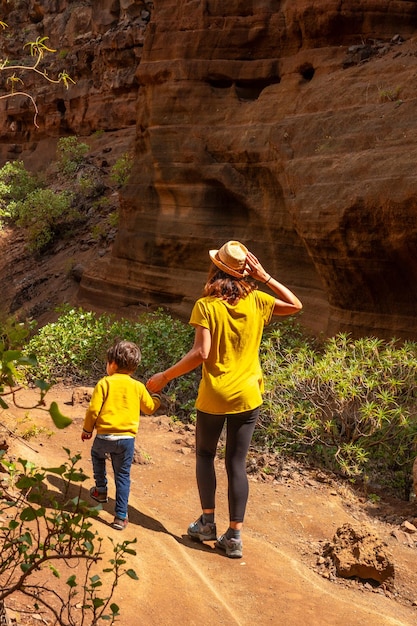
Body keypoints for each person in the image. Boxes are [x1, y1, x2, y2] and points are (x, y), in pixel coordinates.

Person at [146, 240, 302, 557]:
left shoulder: (206, 306)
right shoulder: (258, 301)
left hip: (215, 396)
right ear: (246, 273)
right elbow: (296, 305)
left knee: (205, 455)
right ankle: (234, 537)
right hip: (247, 396)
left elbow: (201, 353)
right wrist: (266, 277)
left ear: (215, 269)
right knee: (236, 464)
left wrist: (164, 377)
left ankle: (206, 523)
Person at [82, 340, 161, 530]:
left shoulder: (104, 383)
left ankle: (101, 490)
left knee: (97, 455)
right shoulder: (138, 386)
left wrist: (87, 429)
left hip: (104, 436)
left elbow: (94, 410)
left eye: (107, 363)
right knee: (123, 476)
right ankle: (120, 517)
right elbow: (149, 409)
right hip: (126, 440)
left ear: (113, 364)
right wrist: (156, 399)